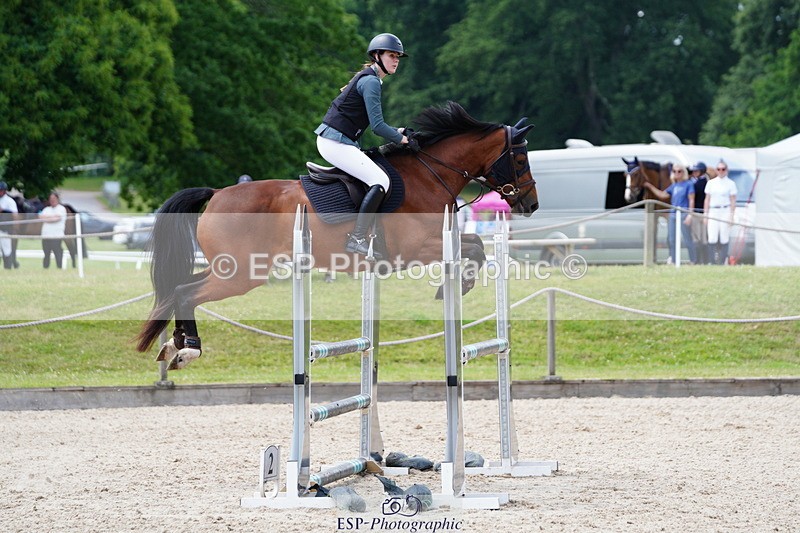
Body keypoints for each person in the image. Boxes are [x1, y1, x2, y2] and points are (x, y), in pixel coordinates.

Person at [314, 32, 410, 259]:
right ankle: (356, 239)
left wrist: (399, 132)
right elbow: (377, 126)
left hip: (340, 141)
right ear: (377, 55)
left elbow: (380, 125)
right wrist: (401, 140)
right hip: (333, 142)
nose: (396, 60)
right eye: (391, 55)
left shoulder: (369, 79)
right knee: (380, 180)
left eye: (398, 56)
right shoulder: (371, 82)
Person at [643, 163, 696, 264]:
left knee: (687, 238)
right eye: (674, 171)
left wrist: (690, 214)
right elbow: (663, 195)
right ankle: (673, 259)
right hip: (673, 214)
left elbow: (691, 200)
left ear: (683, 172)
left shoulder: (688, 184)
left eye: (679, 171)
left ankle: (693, 260)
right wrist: (650, 187)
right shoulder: (674, 185)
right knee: (671, 239)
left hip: (683, 214)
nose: (677, 173)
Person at [704, 160, 737, 265]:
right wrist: (706, 214)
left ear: (726, 170)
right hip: (713, 210)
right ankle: (711, 261)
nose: (721, 171)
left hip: (725, 210)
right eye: (719, 169)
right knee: (712, 237)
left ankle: (723, 261)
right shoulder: (711, 183)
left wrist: (732, 215)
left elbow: (732, 200)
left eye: (723, 169)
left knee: (724, 236)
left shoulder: (731, 183)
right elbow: (707, 199)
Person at [39, 192, 67, 269]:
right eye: (51, 199)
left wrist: (47, 218)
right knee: (46, 253)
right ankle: (45, 268)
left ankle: (59, 267)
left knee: (57, 253)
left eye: (54, 199)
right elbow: (41, 217)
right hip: (46, 236)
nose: (52, 200)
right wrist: (51, 217)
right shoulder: (46, 209)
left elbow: (57, 219)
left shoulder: (61, 209)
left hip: (56, 236)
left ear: (57, 199)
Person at [689, 162, 709, 264]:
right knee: (701, 238)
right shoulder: (702, 181)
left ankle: (699, 260)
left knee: (698, 238)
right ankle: (703, 260)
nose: (694, 173)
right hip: (700, 212)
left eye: (696, 171)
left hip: (698, 212)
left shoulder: (700, 183)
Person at [0, 181, 19, 269]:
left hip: (5, 229)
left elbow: (15, 215)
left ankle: (8, 267)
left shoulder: (10, 201)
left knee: (7, 250)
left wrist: (3, 210)